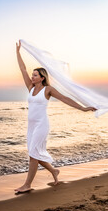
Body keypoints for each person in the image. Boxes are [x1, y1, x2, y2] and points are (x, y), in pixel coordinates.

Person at [15, 40, 96, 193]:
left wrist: (82, 108)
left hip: (41, 125)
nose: (32, 77)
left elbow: (65, 98)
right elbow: (22, 69)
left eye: (35, 75)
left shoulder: (48, 90)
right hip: (31, 126)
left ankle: (27, 185)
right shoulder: (30, 87)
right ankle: (54, 171)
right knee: (35, 153)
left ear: (42, 77)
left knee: (33, 154)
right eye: (32, 75)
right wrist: (18, 52)